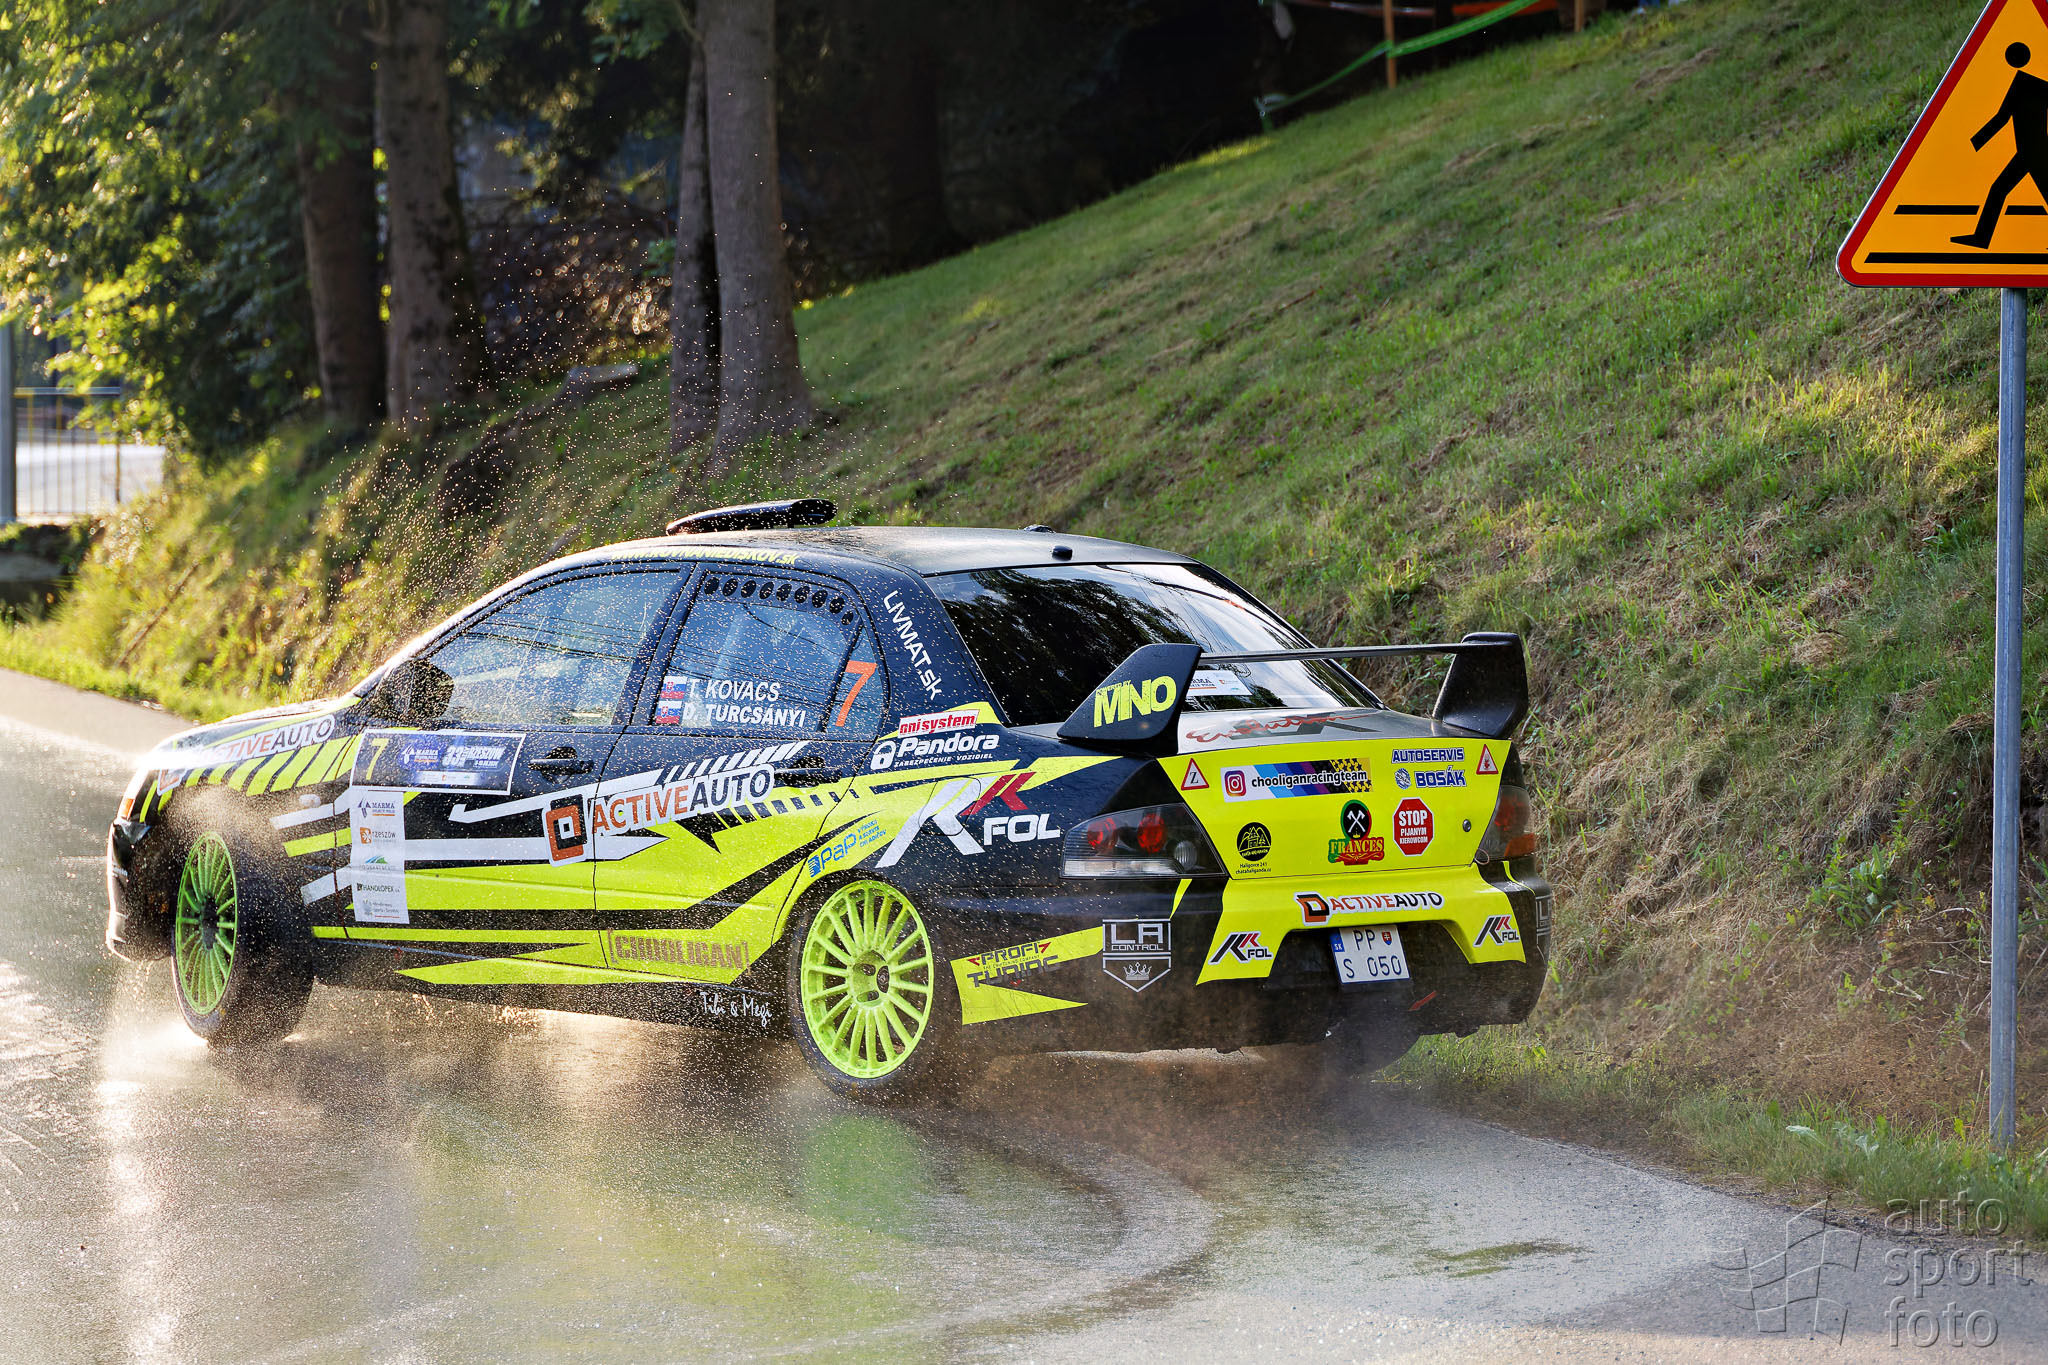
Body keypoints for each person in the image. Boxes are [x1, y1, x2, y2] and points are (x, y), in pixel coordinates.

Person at [1953, 42, 2048, 249]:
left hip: (2036, 151)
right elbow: (2002, 118)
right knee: (1998, 189)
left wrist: (1974, 143)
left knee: (1999, 189)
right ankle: (1981, 238)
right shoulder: (2027, 84)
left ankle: (1981, 237)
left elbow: (2001, 118)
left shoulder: (2025, 84)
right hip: (2027, 151)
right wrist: (1974, 143)